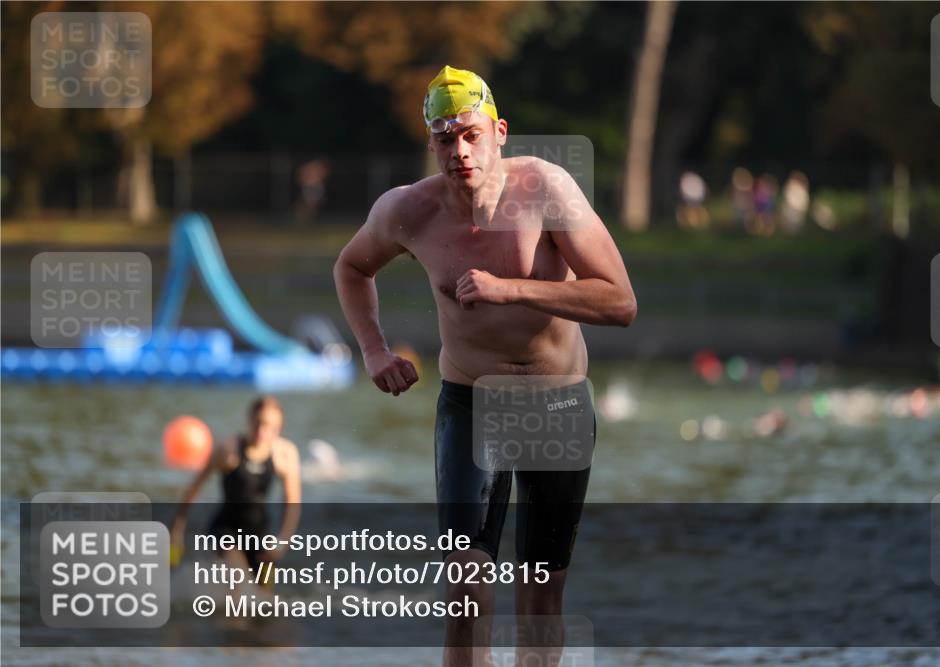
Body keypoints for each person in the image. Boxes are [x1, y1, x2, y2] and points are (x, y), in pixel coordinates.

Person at [334, 65, 636, 666]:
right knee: (466, 596)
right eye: (445, 140)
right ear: (431, 146)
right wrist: (373, 350)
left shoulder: (548, 191)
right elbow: (351, 267)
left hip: (557, 406)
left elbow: (620, 301)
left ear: (499, 132)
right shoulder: (409, 211)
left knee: (541, 599)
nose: (460, 152)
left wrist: (512, 290)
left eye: (471, 135)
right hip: (472, 404)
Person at [170, 396, 302, 579]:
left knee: (265, 601)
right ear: (250, 420)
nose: (263, 431)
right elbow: (194, 489)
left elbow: (292, 504)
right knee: (239, 579)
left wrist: (282, 542)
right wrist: (177, 529)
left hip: (260, 535)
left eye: (270, 426)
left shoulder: (285, 454)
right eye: (259, 423)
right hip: (226, 531)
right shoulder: (228, 451)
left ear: (279, 428)